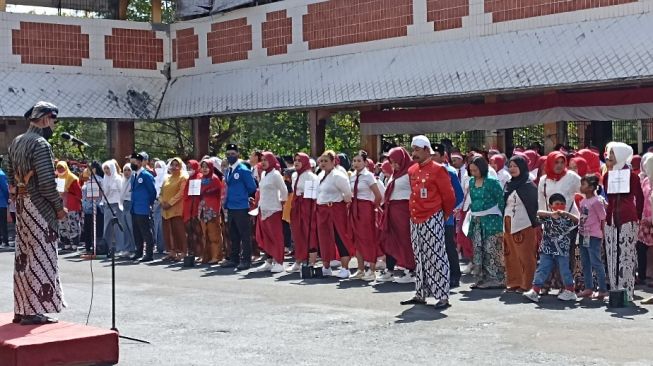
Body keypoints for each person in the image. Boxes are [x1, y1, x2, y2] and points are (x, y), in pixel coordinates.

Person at [7, 101, 66, 325]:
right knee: (42, 257)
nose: (53, 124)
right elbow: (47, 183)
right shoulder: (40, 144)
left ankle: (21, 309)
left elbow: (11, 176)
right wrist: (59, 209)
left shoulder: (16, 141)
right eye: (52, 119)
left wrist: (18, 192)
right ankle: (34, 311)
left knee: (23, 256)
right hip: (39, 206)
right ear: (43, 119)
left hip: (22, 203)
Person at [401, 135, 455, 309]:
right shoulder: (412, 170)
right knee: (420, 256)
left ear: (426, 150)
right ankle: (420, 293)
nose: (413, 153)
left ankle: (442, 295)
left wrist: (444, 215)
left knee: (436, 255)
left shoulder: (438, 170)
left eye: (417, 149)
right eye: (413, 149)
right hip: (415, 216)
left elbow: (449, 196)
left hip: (432, 215)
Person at [603, 142, 643, 302]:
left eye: (612, 153)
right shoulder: (607, 175)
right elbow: (608, 195)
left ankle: (627, 291)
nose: (609, 157)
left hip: (627, 218)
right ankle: (614, 291)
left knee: (626, 255)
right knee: (612, 253)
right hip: (611, 218)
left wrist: (637, 217)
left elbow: (639, 197)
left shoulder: (632, 176)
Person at [523, 193, 579, 302]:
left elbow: (577, 220)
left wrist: (567, 213)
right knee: (542, 269)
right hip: (547, 249)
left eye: (562, 204)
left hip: (562, 250)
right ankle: (535, 290)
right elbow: (537, 213)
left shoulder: (567, 219)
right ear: (551, 205)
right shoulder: (547, 218)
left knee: (564, 270)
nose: (559, 206)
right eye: (557, 204)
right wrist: (550, 214)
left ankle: (570, 291)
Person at [466, 155, 506, 289]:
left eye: (475, 170)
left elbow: (501, 200)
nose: (473, 173)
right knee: (478, 249)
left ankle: (497, 279)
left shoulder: (492, 182)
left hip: (492, 221)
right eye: (471, 170)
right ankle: (480, 278)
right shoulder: (471, 182)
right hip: (477, 220)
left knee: (492, 249)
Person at [378, 147, 416, 283]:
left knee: (405, 239)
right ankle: (389, 269)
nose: (393, 165)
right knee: (390, 238)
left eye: (395, 162)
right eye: (391, 162)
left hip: (404, 210)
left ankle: (411, 270)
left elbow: (415, 192)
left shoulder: (410, 171)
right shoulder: (395, 173)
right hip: (392, 209)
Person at [316, 150, 355, 278]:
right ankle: (326, 266)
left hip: (335, 208)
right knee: (324, 238)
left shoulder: (338, 175)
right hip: (322, 210)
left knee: (340, 236)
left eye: (326, 161)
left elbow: (347, 194)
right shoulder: (320, 175)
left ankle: (345, 268)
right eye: (321, 161)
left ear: (333, 162)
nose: (323, 163)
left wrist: (342, 204)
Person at [503, 155, 539, 293]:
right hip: (508, 223)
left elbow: (534, 206)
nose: (512, 169)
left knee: (525, 255)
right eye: (510, 166)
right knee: (510, 254)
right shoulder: (508, 184)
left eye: (515, 166)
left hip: (523, 224)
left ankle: (527, 283)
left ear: (522, 167)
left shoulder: (528, 185)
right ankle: (514, 282)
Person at [220, 144, 258, 271]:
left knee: (244, 235)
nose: (230, 156)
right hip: (231, 206)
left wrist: (242, 196)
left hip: (241, 206)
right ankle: (234, 258)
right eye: (228, 154)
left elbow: (252, 187)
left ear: (238, 154)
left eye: (233, 154)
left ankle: (246, 260)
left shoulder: (243, 170)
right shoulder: (228, 170)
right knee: (233, 235)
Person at [431, 144, 464, 287]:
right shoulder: (426, 170)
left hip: (445, 217)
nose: (432, 158)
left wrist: (448, 210)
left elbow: (459, 194)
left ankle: (455, 275)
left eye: (435, 155)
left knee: (448, 246)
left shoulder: (449, 171)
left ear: (443, 156)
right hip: (430, 216)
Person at [348, 150, 383, 281]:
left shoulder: (369, 176)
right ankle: (360, 269)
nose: (356, 163)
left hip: (365, 208)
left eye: (359, 161)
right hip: (354, 208)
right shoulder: (352, 177)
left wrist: (372, 208)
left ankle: (372, 270)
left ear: (365, 162)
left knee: (368, 238)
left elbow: (378, 195)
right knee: (357, 239)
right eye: (354, 161)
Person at [253, 152, 288, 272]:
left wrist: (281, 202)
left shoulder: (276, 174)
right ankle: (269, 261)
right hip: (263, 209)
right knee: (266, 236)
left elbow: (284, 191)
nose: (263, 162)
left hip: (273, 209)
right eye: (261, 160)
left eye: (265, 159)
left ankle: (279, 262)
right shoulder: (263, 174)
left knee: (276, 236)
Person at [577, 174, 608, 300]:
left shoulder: (596, 201)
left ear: (591, 187)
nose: (581, 187)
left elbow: (603, 218)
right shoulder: (583, 201)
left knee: (596, 262)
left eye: (583, 184)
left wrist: (602, 236)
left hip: (594, 235)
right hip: (583, 234)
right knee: (585, 262)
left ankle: (602, 290)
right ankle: (588, 288)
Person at [287, 153, 319, 272]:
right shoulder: (294, 175)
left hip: (307, 205)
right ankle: (298, 260)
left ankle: (311, 262)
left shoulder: (311, 176)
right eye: (295, 160)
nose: (296, 162)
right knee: (297, 233)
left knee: (309, 233)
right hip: (297, 205)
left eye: (299, 160)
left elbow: (313, 195)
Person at [129, 152, 157, 262]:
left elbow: (152, 192)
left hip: (143, 207)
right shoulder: (133, 175)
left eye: (134, 162)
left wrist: (149, 203)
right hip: (134, 207)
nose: (132, 164)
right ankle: (138, 252)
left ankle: (149, 254)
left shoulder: (146, 175)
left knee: (145, 231)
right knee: (136, 231)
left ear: (140, 162)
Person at [160, 158, 188, 262]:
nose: (174, 167)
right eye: (172, 165)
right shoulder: (167, 178)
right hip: (165, 209)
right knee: (168, 231)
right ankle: (172, 252)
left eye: (177, 165)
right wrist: (162, 202)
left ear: (181, 166)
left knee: (179, 231)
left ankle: (183, 252)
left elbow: (181, 193)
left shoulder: (183, 177)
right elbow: (161, 192)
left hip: (176, 209)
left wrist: (170, 203)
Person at [198, 159, 224, 264]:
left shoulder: (215, 179)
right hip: (202, 210)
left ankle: (216, 256)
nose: (204, 169)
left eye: (206, 166)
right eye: (202, 166)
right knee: (205, 234)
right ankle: (206, 256)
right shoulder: (200, 179)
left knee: (214, 234)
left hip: (212, 210)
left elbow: (219, 194)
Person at [55, 161, 82, 253]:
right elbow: (58, 192)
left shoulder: (73, 178)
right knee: (63, 224)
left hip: (72, 205)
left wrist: (69, 194)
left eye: (61, 168)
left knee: (72, 224)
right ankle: (66, 243)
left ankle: (74, 244)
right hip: (62, 205)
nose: (60, 170)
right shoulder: (58, 178)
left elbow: (79, 193)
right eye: (58, 168)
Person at [101, 159, 124, 256]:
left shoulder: (118, 178)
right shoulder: (104, 179)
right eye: (105, 168)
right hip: (107, 205)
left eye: (108, 168)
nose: (106, 170)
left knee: (118, 228)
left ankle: (120, 248)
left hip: (116, 205)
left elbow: (122, 192)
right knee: (107, 227)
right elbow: (103, 193)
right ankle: (107, 247)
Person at [184, 160, 205, 261]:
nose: (189, 169)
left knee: (199, 232)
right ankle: (192, 253)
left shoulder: (200, 177)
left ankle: (202, 254)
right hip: (189, 208)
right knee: (190, 233)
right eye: (188, 167)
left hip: (197, 208)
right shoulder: (189, 179)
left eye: (191, 167)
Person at [117, 163, 135, 258]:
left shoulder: (133, 180)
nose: (127, 172)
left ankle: (135, 248)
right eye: (125, 170)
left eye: (129, 170)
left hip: (131, 204)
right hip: (124, 205)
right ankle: (127, 248)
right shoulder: (123, 181)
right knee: (125, 228)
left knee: (132, 228)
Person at [152, 159, 167, 254]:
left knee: (163, 225)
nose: (157, 169)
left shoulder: (166, 178)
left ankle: (164, 246)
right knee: (156, 225)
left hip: (164, 203)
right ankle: (158, 246)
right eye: (156, 167)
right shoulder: (155, 179)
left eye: (159, 167)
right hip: (155, 203)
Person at [0, 157, 9, 248]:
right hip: (1, 202)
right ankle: (5, 241)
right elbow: (5, 189)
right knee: (3, 223)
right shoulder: (1, 174)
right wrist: (8, 200)